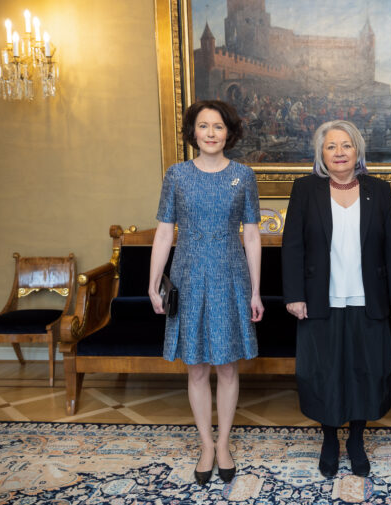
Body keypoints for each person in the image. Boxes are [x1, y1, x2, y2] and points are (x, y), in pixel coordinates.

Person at [282, 120, 391, 478]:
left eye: (346, 145)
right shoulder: (305, 189)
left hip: (369, 298)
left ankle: (355, 439)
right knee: (323, 372)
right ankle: (328, 439)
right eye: (331, 146)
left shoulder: (379, 190)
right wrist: (294, 294)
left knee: (365, 371)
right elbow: (292, 245)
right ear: (321, 154)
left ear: (358, 151)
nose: (339, 152)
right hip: (320, 298)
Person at [148, 100, 264, 486]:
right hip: (189, 275)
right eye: (204, 126)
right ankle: (205, 445)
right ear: (193, 132)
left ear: (229, 132)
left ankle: (225, 443)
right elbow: (165, 232)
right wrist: (154, 283)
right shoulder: (176, 175)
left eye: (218, 126)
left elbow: (251, 235)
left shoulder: (244, 176)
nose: (211, 133)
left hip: (231, 275)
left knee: (228, 365)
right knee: (196, 367)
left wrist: (256, 291)